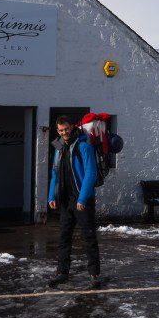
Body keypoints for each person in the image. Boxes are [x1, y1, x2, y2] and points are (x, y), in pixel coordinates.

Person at [47, 115, 101, 289]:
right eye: (61, 130)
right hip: (65, 199)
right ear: (58, 130)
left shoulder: (83, 146)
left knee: (88, 236)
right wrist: (51, 196)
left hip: (82, 199)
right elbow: (55, 173)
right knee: (64, 237)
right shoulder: (59, 147)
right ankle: (62, 271)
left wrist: (82, 198)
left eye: (67, 129)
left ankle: (94, 274)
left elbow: (91, 174)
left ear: (72, 127)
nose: (65, 132)